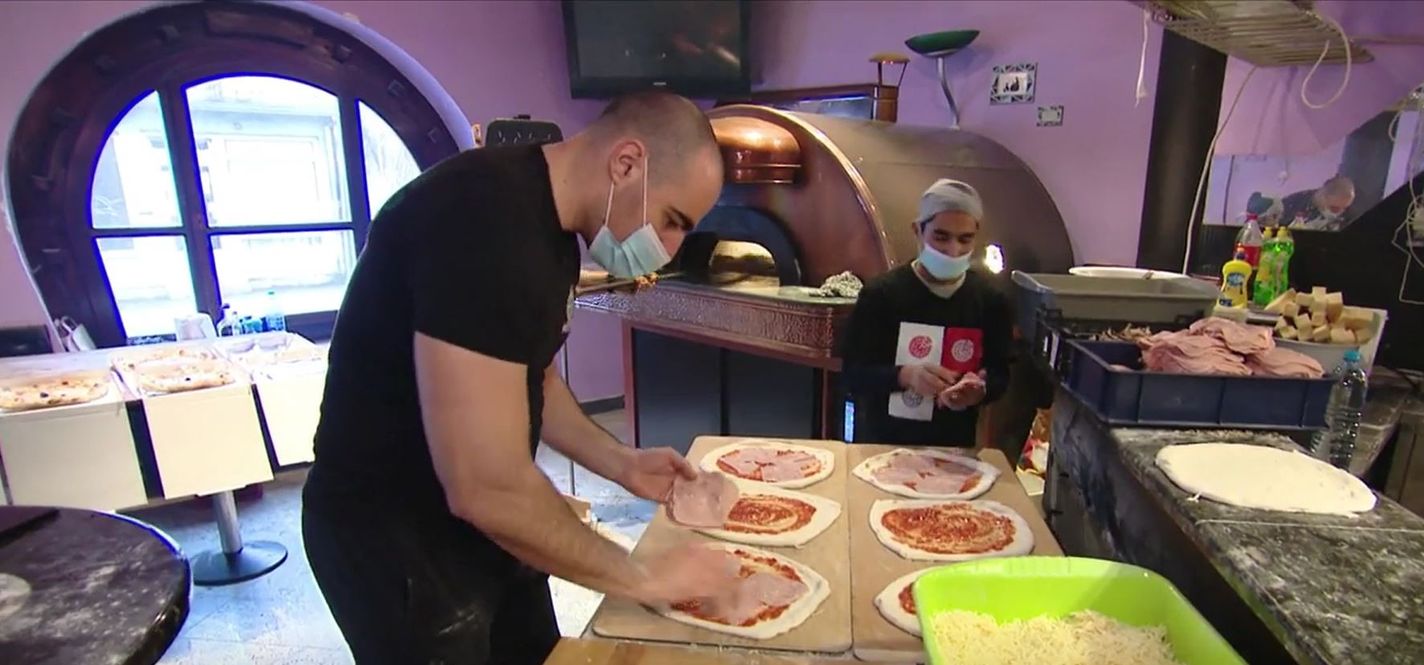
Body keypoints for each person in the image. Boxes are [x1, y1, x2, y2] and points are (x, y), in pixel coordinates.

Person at [302, 91, 737, 665]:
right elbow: (486, 487)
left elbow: (534, 379)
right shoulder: (481, 221)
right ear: (627, 163)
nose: (671, 247)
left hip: (479, 525)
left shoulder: (551, 231)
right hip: (394, 534)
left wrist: (621, 462)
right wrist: (644, 577)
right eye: (672, 221)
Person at [840, 178, 1013, 448]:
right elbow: (853, 374)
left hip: (954, 448)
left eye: (965, 239)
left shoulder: (990, 301)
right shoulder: (882, 295)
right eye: (941, 237)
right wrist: (905, 376)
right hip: (883, 444)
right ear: (918, 231)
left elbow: (1000, 373)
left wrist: (979, 389)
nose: (953, 250)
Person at [1279, 175, 1356, 230]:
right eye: (1335, 208)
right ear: (1323, 196)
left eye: (1345, 208)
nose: (1340, 212)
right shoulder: (1292, 204)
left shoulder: (1348, 215)